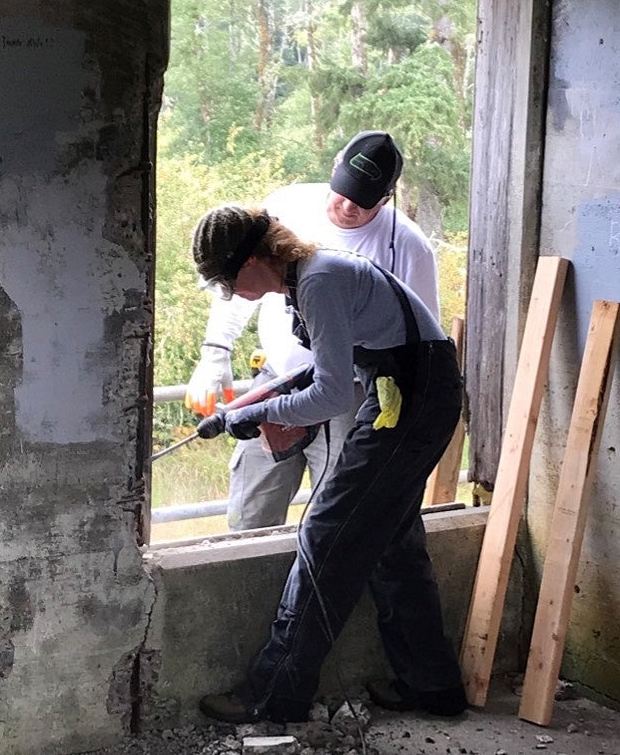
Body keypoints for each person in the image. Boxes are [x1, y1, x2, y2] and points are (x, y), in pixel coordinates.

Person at [190, 203, 468, 723]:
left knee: (325, 531)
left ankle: (274, 694)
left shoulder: (318, 282)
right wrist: (248, 406)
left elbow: (332, 394)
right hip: (406, 388)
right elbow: (322, 369)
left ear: (253, 260)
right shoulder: (311, 276)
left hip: (411, 394)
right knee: (392, 541)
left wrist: (263, 410)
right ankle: (434, 687)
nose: (231, 294)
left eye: (227, 280)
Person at [184, 131, 442, 531]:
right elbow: (238, 278)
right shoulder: (285, 206)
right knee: (252, 508)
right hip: (279, 375)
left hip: (351, 392)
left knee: (333, 513)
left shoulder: (407, 246)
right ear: (333, 170)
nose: (347, 207)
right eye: (342, 193)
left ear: (387, 197)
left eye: (363, 202)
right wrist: (216, 352)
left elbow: (419, 340)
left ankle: (313, 582)